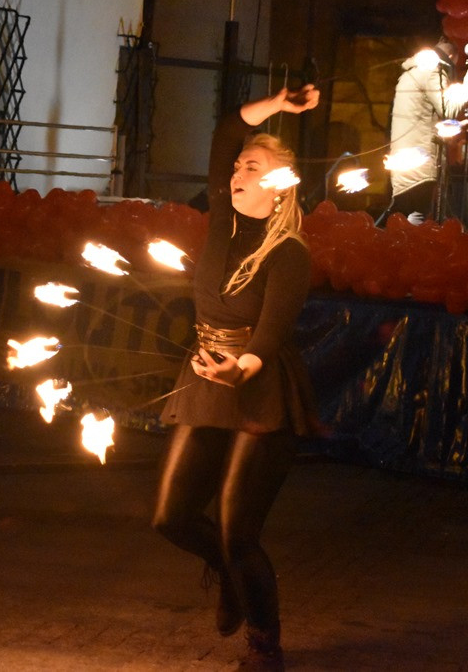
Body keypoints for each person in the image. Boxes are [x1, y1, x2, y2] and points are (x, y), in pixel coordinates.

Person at [153, 84, 320, 671]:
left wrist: (240, 365)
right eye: (238, 165)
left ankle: (264, 642)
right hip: (204, 379)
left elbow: (270, 337)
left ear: (279, 187)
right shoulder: (222, 222)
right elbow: (228, 128)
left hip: (258, 388)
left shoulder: (289, 252)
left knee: (236, 529)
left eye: (254, 166)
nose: (237, 170)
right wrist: (277, 103)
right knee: (170, 517)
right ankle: (229, 575)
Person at [383, 36, 468, 224]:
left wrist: (458, 125)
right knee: (416, 212)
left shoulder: (411, 72)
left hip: (406, 156)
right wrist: (466, 88)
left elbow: (424, 118)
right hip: (420, 159)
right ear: (450, 56)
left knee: (402, 212)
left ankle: (392, 247)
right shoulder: (432, 71)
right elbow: (447, 108)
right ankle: (405, 251)